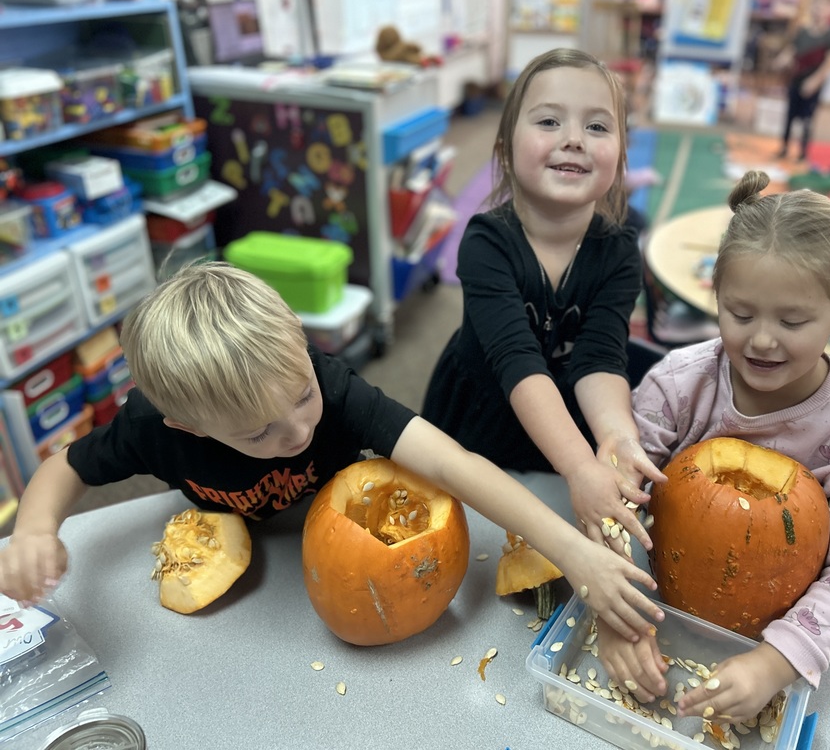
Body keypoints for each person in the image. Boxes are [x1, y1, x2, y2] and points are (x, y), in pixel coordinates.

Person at [0, 262, 666, 641]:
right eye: (257, 434)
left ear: (298, 336)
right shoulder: (150, 427)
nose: (295, 434)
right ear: (188, 427)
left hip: (347, 523)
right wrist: (33, 528)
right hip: (250, 556)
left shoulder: (326, 382)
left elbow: (452, 465)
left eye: (298, 400)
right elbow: (66, 467)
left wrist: (574, 552)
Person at [597, 170, 830, 722]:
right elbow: (615, 500)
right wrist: (613, 611)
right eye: (740, 314)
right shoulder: (680, 384)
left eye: (792, 321)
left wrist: (776, 662)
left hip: (773, 633)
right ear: (716, 294)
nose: (762, 339)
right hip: (656, 603)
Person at [421, 48, 665, 554]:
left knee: (552, 532)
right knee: (476, 541)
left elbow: (600, 358)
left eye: (598, 128)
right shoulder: (486, 242)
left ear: (620, 157)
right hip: (482, 417)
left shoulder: (619, 250)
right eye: (550, 121)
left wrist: (616, 436)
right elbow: (518, 363)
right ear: (507, 150)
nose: (574, 139)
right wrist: (579, 465)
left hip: (567, 418)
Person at [774, 0, 830, 161]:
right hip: (796, 79)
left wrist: (814, 81)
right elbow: (791, 50)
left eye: (823, 6)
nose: (818, 10)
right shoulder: (802, 31)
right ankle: (784, 148)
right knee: (789, 116)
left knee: (807, 120)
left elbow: (829, 64)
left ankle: (803, 153)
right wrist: (783, 59)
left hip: (813, 83)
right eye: (815, 6)